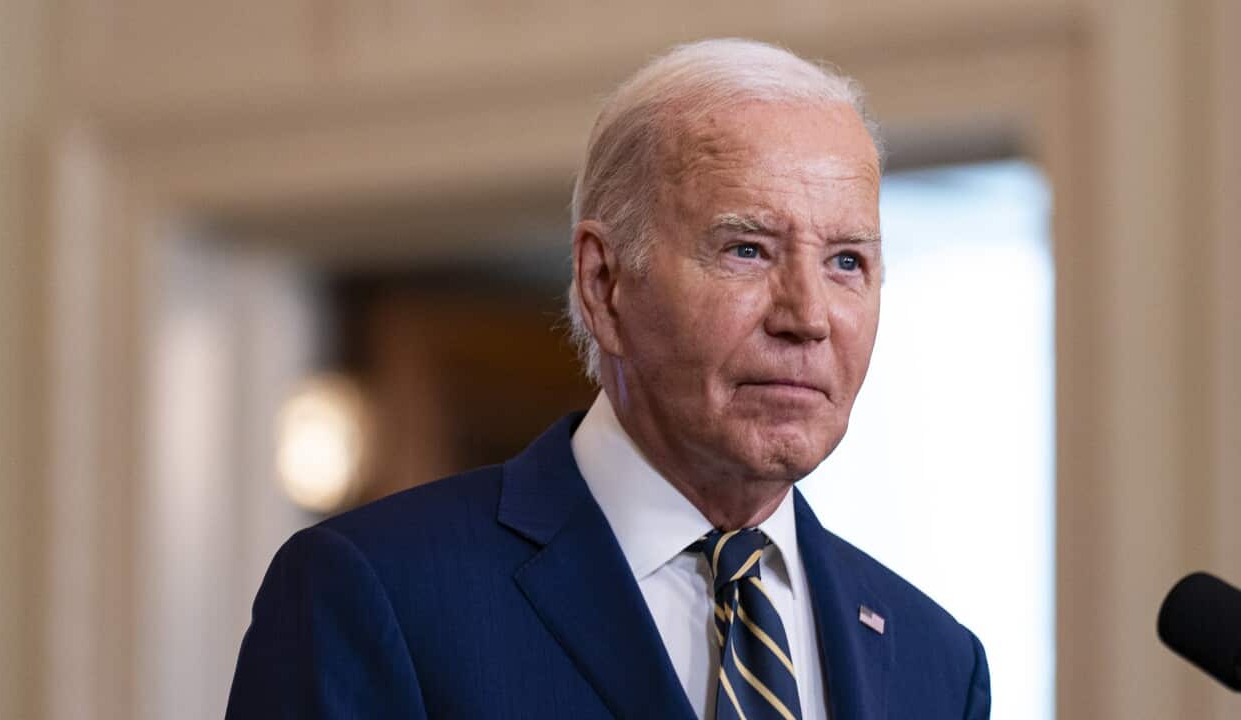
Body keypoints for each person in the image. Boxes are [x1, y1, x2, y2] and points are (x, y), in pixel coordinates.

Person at [227, 38, 991, 720]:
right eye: (748, 251)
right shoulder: (375, 594)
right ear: (604, 282)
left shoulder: (937, 663)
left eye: (847, 262)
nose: (809, 316)